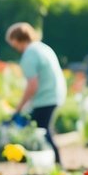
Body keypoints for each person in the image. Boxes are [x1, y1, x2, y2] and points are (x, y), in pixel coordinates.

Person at [6, 22, 67, 165]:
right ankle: (52, 164)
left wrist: (18, 108)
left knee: (41, 132)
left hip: (46, 97)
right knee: (43, 130)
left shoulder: (29, 54)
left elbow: (32, 86)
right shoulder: (41, 47)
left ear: (17, 39)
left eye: (12, 41)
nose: (12, 45)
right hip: (55, 94)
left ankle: (55, 164)